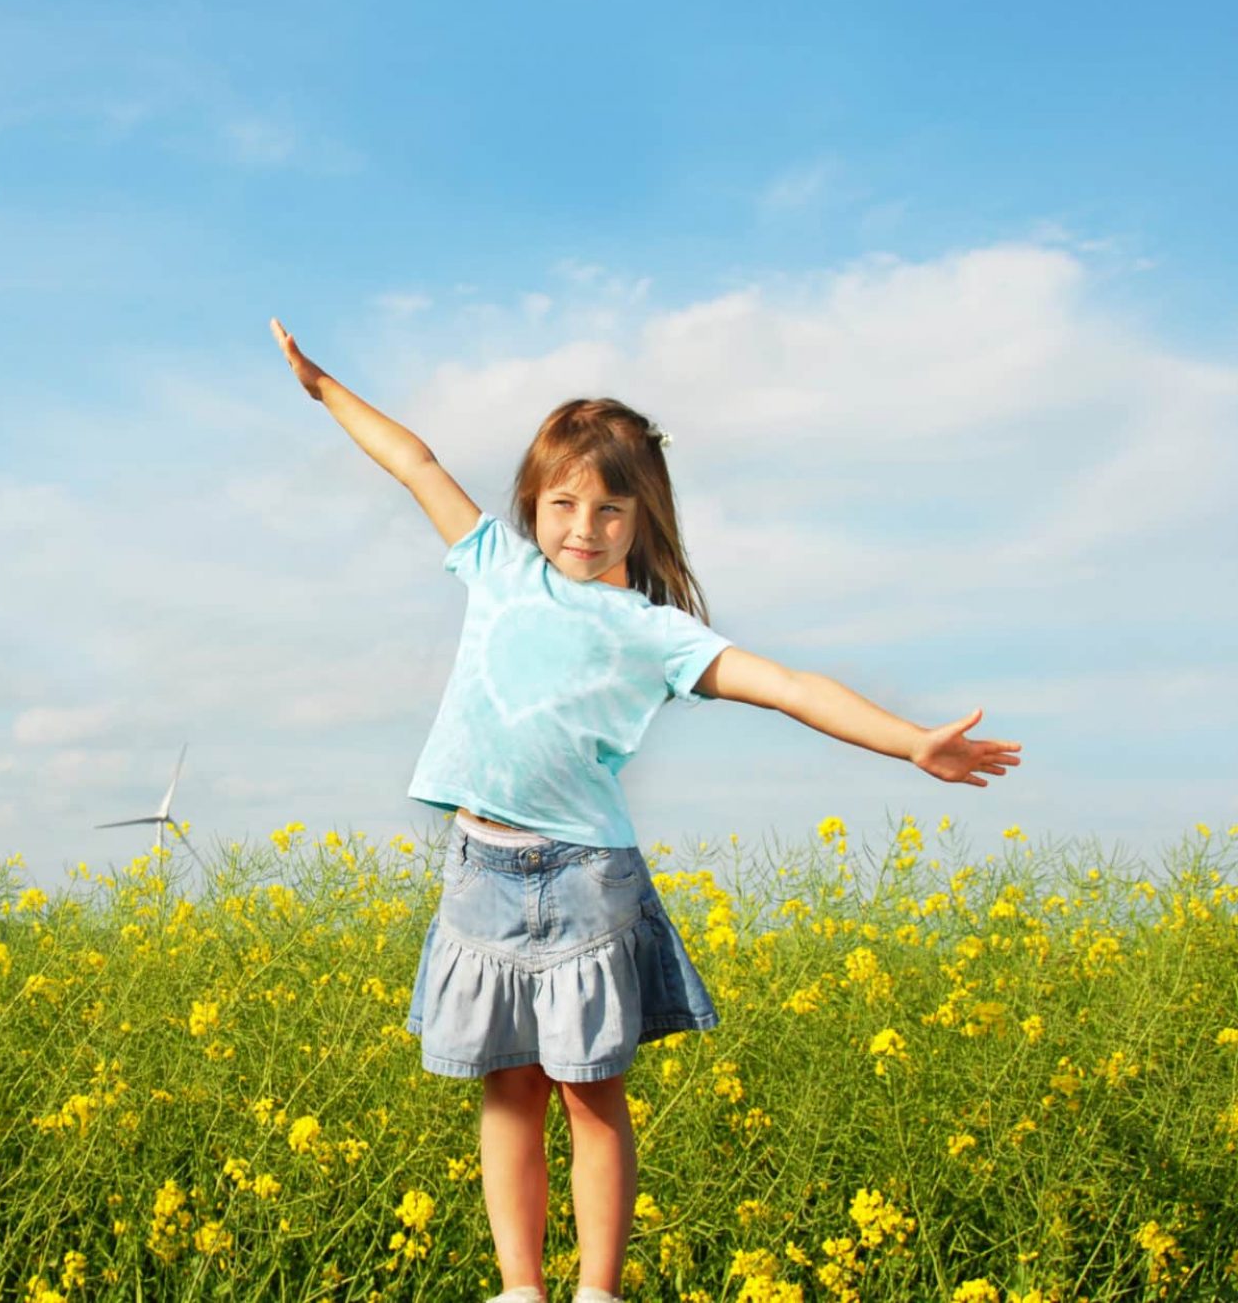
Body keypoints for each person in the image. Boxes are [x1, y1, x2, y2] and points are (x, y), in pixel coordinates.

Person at [268, 317, 1024, 1303]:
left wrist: (910, 738)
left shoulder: (658, 632)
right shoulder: (499, 566)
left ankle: (597, 1291)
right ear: (533, 504)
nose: (584, 526)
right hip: (481, 872)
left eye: (611, 508)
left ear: (645, 518)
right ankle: (519, 1288)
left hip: (587, 882)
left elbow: (792, 685)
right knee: (507, 1090)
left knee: (590, 1096)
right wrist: (324, 389)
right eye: (565, 502)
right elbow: (414, 460)